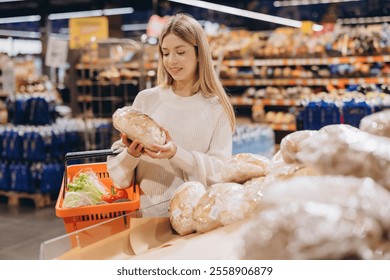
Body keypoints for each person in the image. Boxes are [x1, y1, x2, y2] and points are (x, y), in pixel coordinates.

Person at [107, 13, 236, 217]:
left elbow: (220, 172)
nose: (172, 61)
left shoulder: (217, 108)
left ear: (199, 54)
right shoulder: (146, 100)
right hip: (145, 221)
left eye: (180, 52)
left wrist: (176, 153)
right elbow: (118, 178)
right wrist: (131, 154)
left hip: (194, 221)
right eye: (166, 53)